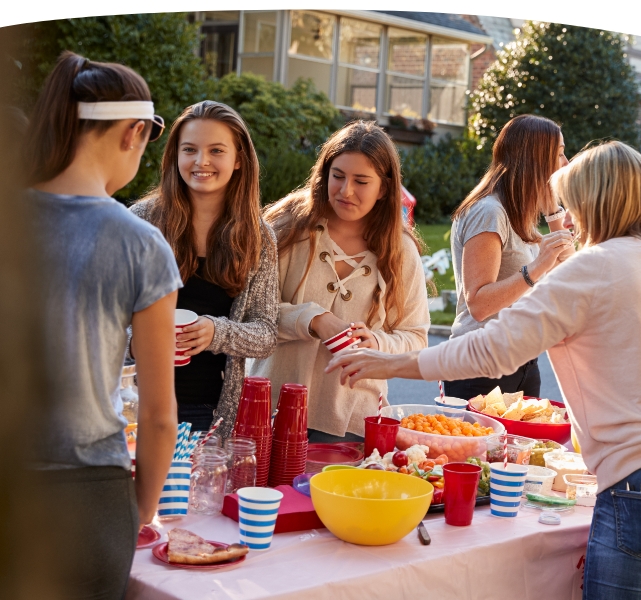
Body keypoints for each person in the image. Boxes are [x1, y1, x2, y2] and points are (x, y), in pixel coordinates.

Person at [328, 141, 641, 600]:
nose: (564, 217)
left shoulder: (587, 270)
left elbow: (492, 350)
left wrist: (392, 362)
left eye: (568, 204)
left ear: (588, 204)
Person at [25, 51, 180, 598]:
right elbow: (160, 416)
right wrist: (140, 508)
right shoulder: (140, 243)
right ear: (134, 132)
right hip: (87, 497)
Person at [254, 121, 429, 443]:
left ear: (385, 188)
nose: (346, 190)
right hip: (270, 408)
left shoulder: (401, 251)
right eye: (338, 176)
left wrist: (377, 344)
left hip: (353, 421)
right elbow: (251, 310)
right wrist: (314, 319)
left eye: (361, 181)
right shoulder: (287, 228)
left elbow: (415, 337)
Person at [129, 101, 278, 436]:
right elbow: (104, 317)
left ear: (239, 159)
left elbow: (266, 334)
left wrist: (216, 332)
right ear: (175, 156)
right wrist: (133, 341)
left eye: (216, 150)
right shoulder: (140, 222)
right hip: (137, 403)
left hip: (210, 413)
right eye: (189, 149)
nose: (201, 161)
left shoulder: (258, 237)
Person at [444, 114, 574, 400]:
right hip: (480, 366)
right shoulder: (489, 212)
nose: (566, 163)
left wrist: (552, 210)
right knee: (478, 447)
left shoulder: (519, 215)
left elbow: (570, 272)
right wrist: (536, 267)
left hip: (522, 362)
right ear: (535, 160)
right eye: (560, 154)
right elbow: (478, 304)